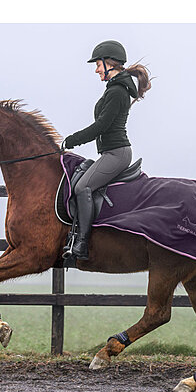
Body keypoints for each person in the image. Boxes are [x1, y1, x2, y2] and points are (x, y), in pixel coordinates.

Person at [62, 40, 151, 260]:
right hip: (110, 152)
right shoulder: (114, 89)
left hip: (117, 154)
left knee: (83, 187)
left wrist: (71, 140)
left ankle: (82, 244)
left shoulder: (118, 91)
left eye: (98, 65)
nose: (96, 69)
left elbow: (101, 126)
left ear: (109, 63)